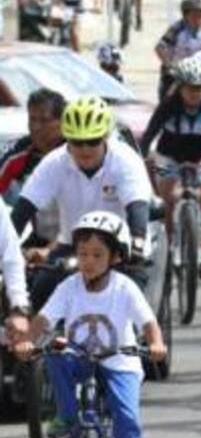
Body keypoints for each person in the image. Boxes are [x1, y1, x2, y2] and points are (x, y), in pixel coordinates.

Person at [16, 211, 167, 438]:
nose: (88, 261)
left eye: (98, 255)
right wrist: (27, 339)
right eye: (83, 253)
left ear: (116, 256)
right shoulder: (69, 286)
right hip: (79, 357)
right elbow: (44, 319)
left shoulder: (124, 287)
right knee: (55, 353)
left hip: (120, 362)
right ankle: (67, 416)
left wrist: (156, 343)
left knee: (127, 422)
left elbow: (148, 322)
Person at [12, 97, 155, 308]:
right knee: (36, 301)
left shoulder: (125, 161)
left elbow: (137, 208)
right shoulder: (54, 162)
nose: (85, 149)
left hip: (121, 250)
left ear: (105, 137)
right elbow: (23, 209)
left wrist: (137, 247)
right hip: (73, 247)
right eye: (77, 142)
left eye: (93, 141)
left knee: (129, 311)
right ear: (66, 139)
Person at [140, 57, 201, 277]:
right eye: (190, 89)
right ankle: (172, 249)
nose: (195, 94)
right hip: (170, 154)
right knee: (171, 197)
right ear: (180, 87)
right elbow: (148, 137)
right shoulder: (168, 106)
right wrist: (141, 157)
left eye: (200, 88)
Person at [155, 0, 201, 100]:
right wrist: (169, 64)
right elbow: (160, 47)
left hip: (198, 75)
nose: (198, 19)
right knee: (168, 99)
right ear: (186, 15)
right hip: (176, 72)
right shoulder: (177, 29)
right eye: (195, 15)